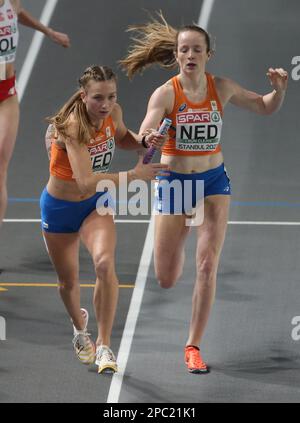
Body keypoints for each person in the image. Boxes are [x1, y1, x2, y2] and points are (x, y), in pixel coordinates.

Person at [120, 13, 288, 374]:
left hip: (213, 182)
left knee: (207, 263)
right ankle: (178, 236)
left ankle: (193, 345)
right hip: (176, 184)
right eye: (184, 49)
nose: (190, 54)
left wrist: (280, 90)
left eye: (197, 48)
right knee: (166, 277)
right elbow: (144, 139)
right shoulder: (166, 93)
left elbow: (264, 106)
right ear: (177, 55)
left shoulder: (221, 87)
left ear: (208, 54)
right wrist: (148, 139)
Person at [40, 65, 168, 374]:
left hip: (96, 205)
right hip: (59, 208)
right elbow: (84, 181)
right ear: (84, 97)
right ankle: (79, 328)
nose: (106, 104)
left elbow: (122, 137)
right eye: (98, 98)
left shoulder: (113, 112)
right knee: (67, 281)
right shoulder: (73, 126)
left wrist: (144, 142)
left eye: (111, 96)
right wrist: (135, 176)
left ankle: (105, 345)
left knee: (104, 264)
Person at [0, 0, 70, 228]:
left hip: (6, 92)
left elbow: (17, 13)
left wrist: (47, 31)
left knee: (1, 165)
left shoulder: (12, 1)